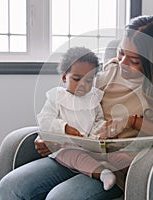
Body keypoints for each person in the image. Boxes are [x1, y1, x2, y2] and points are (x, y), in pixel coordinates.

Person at [0, 15, 153, 200]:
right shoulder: (110, 71)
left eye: (134, 60)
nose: (122, 63)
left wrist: (133, 122)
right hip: (78, 153)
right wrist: (51, 135)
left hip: (118, 167)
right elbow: (72, 101)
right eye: (121, 53)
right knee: (11, 186)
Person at [36, 46, 132, 191]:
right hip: (64, 147)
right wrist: (65, 128)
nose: (83, 84)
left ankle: (132, 170)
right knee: (76, 156)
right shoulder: (56, 97)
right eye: (76, 79)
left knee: (114, 155)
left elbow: (98, 119)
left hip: (89, 143)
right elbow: (45, 120)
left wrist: (101, 132)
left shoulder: (93, 97)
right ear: (64, 77)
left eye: (88, 80)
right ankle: (102, 173)